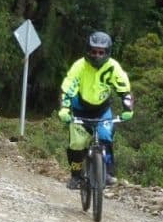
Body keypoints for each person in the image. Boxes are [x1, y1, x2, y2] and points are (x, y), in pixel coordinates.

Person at [57, 31, 134, 189]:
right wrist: (64, 109)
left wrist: (128, 108)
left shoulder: (113, 67)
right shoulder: (79, 66)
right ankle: (76, 176)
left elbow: (124, 88)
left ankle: (108, 173)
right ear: (87, 50)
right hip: (80, 110)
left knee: (106, 137)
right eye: (93, 51)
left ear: (107, 52)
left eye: (101, 52)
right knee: (76, 145)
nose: (97, 55)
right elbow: (67, 87)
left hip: (102, 110)